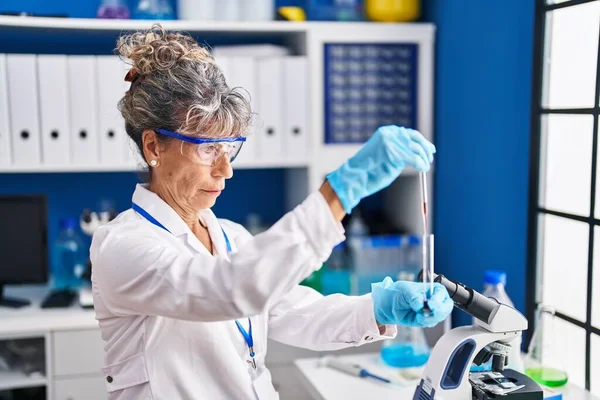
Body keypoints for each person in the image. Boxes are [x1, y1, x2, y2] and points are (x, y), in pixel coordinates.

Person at [91, 25, 453, 400]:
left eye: (229, 148)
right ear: (154, 146)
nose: (225, 169)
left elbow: (296, 313)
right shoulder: (122, 247)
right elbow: (227, 288)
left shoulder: (230, 236)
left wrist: (381, 308)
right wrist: (339, 192)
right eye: (206, 148)